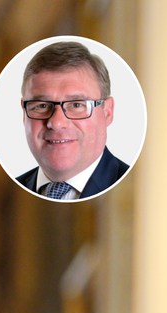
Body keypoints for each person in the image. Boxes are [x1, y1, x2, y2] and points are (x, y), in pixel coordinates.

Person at [16, 41, 129, 200]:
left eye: (76, 105)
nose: (56, 123)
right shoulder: (4, 197)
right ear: (24, 112)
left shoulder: (139, 189)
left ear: (107, 112)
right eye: (42, 105)